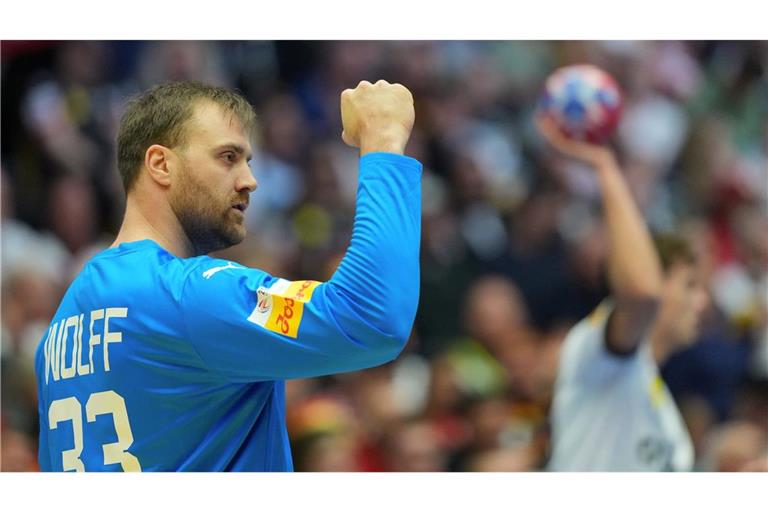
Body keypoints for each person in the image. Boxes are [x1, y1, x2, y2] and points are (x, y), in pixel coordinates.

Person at [34, 79, 422, 471]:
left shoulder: (61, 327)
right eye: (228, 157)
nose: (249, 180)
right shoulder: (189, 294)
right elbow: (371, 317)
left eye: (248, 161)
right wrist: (384, 141)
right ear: (160, 164)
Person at [538, 117, 708, 471]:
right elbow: (642, 292)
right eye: (690, 285)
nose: (702, 301)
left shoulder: (666, 414)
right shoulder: (600, 353)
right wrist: (605, 167)